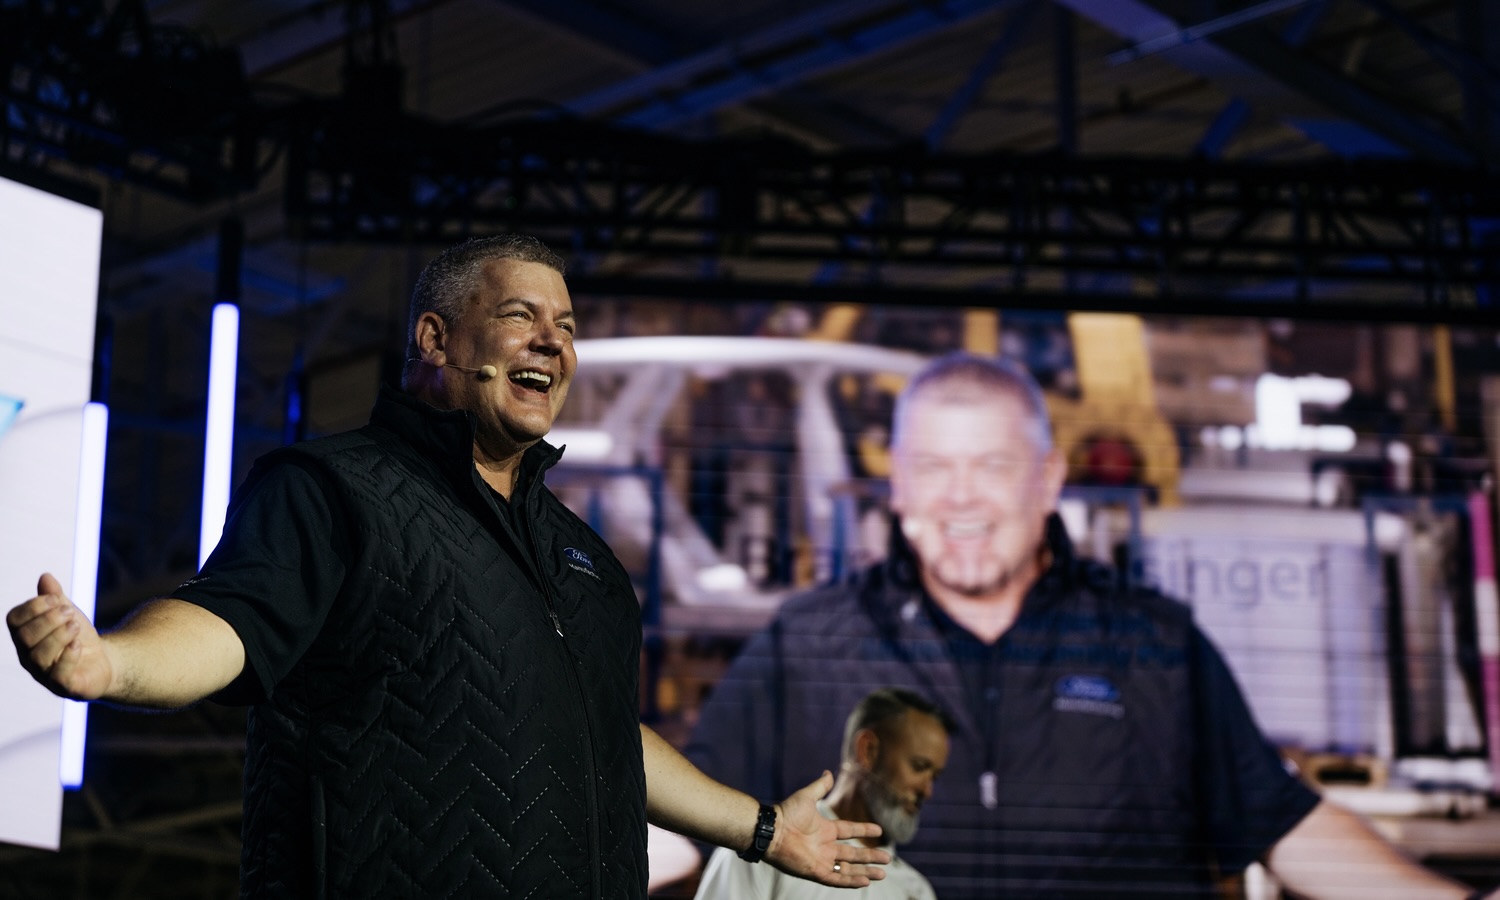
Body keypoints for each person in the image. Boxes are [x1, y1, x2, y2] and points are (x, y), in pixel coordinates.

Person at [6, 235, 888, 898]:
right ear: (435, 339)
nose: (553, 342)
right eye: (521, 317)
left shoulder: (586, 561)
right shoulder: (334, 488)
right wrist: (112, 662)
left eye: (567, 328)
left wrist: (765, 829)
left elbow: (607, 744)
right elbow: (230, 620)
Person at [686, 351, 1494, 899]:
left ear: (1048, 481)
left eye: (992, 467)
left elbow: (1283, 826)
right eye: (933, 468)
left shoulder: (1151, 645)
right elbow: (678, 819)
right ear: (896, 487)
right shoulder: (811, 642)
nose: (958, 499)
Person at [694, 687, 951, 900]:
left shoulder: (917, 892)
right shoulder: (765, 842)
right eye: (919, 767)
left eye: (935, 776)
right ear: (868, 750)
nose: (927, 790)